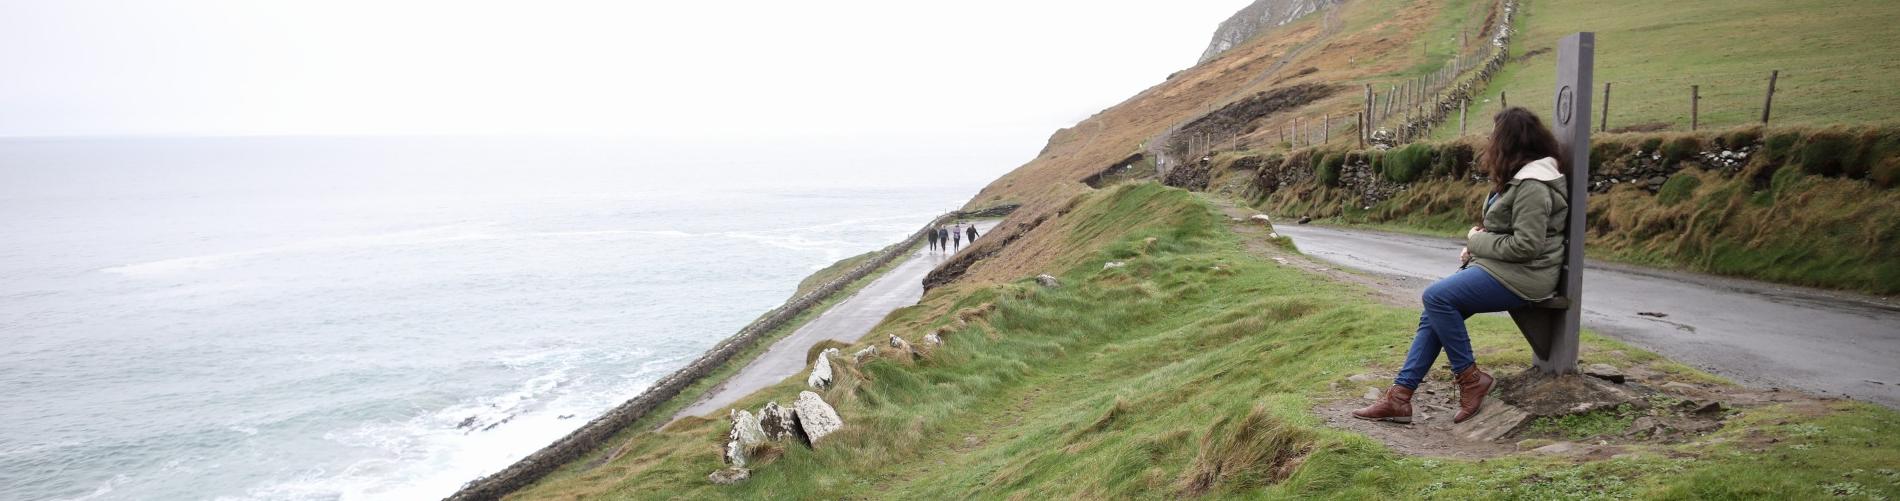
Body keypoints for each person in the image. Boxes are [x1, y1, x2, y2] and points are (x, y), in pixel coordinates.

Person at [1353, 107, 1569, 425]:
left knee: (1437, 297)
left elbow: (1526, 246)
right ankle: (1399, 398)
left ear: (1508, 142)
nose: (1489, 143)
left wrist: (1476, 241)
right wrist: (1479, 244)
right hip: (1504, 269)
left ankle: (1471, 380)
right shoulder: (1519, 180)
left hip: (1526, 277)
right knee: (1434, 312)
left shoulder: (1533, 186)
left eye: (1494, 137)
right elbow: (1509, 234)